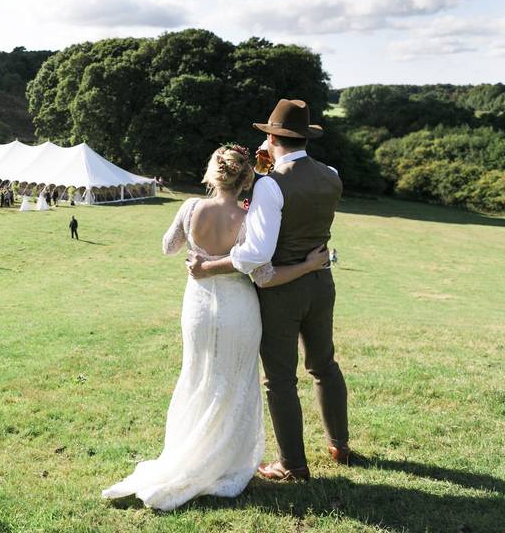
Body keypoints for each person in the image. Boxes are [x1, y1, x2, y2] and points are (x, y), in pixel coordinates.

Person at [102, 141, 330, 510]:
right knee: (233, 382)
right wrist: (308, 264)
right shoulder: (247, 218)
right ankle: (223, 462)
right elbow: (265, 276)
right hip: (239, 309)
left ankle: (188, 453)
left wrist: (197, 246)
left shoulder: (191, 208)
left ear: (212, 174)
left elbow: (168, 247)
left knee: (197, 377)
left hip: (198, 307)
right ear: (245, 182)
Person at [188, 98, 358, 482]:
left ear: (271, 137)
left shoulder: (270, 185)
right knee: (324, 365)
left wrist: (211, 265)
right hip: (321, 281)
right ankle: (339, 445)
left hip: (281, 290)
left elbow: (257, 252)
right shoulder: (331, 174)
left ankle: (293, 465)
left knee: (280, 379)